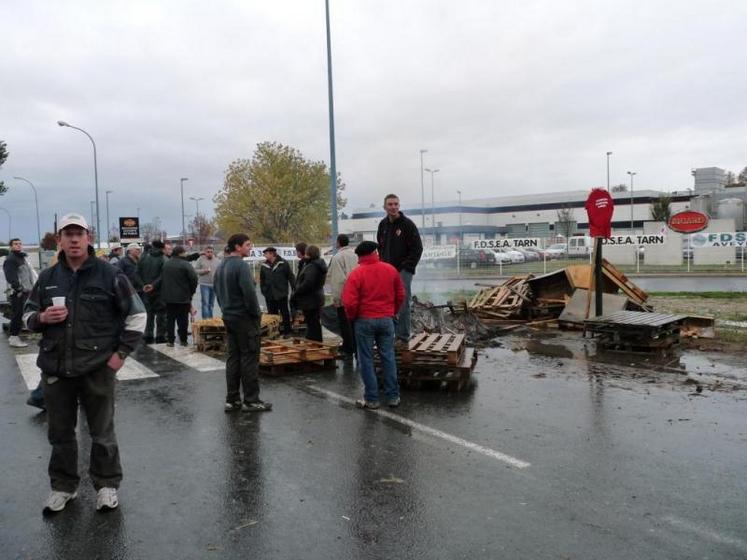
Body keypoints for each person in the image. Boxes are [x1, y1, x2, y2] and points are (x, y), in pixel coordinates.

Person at [23, 212, 146, 514]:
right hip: (56, 370)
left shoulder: (110, 274)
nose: (74, 239)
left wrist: (119, 358)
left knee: (102, 433)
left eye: (79, 233)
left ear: (88, 237)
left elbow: (138, 316)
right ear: (60, 240)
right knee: (60, 434)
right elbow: (25, 317)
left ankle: (106, 485)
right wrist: (41, 318)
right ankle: (63, 487)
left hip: (97, 369)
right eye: (68, 234)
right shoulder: (48, 278)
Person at [342, 241, 405, 409]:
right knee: (388, 357)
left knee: (366, 359)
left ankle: (372, 399)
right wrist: (392, 311)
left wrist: (353, 317)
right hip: (386, 319)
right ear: (375, 252)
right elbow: (400, 294)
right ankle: (393, 396)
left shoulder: (357, 274)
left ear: (360, 256)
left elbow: (349, 302)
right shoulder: (390, 270)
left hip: (364, 320)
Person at [213, 233, 272, 412]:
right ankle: (251, 400)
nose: (250, 247)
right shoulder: (241, 266)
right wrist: (256, 314)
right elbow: (249, 294)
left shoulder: (221, 266)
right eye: (247, 245)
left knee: (233, 358)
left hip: (229, 317)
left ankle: (232, 400)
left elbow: (217, 291)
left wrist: (226, 310)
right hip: (244, 319)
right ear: (237, 247)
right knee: (249, 358)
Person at [376, 193, 423, 345]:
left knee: (403, 302)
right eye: (390, 204)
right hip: (387, 270)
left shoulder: (407, 225)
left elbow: (417, 248)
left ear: (399, 206)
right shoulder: (383, 225)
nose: (393, 207)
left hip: (403, 271)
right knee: (389, 302)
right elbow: (381, 248)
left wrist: (407, 268)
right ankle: (391, 334)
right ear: (385, 207)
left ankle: (403, 336)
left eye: (396, 204)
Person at [326, 234, 358, 356]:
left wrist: (337, 299)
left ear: (338, 243)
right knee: (355, 323)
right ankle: (355, 346)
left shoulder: (337, 257)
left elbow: (338, 279)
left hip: (344, 296)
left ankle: (348, 348)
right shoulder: (355, 255)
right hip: (356, 295)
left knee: (345, 324)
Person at [161, 245, 198, 347]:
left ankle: (170, 340)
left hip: (169, 297)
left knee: (170, 319)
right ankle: (183, 339)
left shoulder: (166, 264)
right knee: (183, 319)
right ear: (181, 253)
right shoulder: (186, 264)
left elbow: (162, 279)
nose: (186, 253)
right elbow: (194, 278)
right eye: (184, 252)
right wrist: (191, 291)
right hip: (183, 297)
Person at [291, 245, 327, 342]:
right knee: (313, 321)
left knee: (312, 322)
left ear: (309, 253)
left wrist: (297, 291)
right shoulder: (317, 264)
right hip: (315, 298)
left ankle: (315, 342)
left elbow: (308, 283)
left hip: (310, 299)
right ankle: (314, 340)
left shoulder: (312, 266)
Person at [3, 238, 35, 349]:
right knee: (17, 314)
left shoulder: (21, 257)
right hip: (19, 293)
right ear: (11, 246)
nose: (18, 245)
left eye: (20, 244)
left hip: (27, 291)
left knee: (22, 313)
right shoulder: (11, 259)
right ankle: (14, 338)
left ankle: (17, 335)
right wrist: (19, 289)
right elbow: (10, 277)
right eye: (15, 244)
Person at [259, 247, 295, 336]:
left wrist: (294, 288)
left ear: (272, 254)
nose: (264, 255)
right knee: (272, 315)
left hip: (281, 294)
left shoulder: (283, 263)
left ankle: (287, 332)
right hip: (270, 295)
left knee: (285, 313)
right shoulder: (264, 266)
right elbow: (262, 280)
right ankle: (275, 333)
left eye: (266, 253)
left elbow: (291, 277)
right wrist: (264, 291)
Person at [137, 239, 168, 344]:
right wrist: (153, 285)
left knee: (149, 313)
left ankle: (148, 334)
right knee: (161, 314)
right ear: (161, 248)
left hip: (146, 290)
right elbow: (163, 275)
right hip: (159, 290)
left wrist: (143, 285)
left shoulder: (143, 257)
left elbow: (136, 273)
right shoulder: (163, 259)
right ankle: (160, 335)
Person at [193, 245, 218, 318]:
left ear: (213, 252)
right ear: (205, 252)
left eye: (211, 252)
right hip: (204, 284)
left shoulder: (217, 260)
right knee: (205, 303)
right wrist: (204, 271)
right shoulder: (201, 260)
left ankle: (210, 320)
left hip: (214, 284)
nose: (210, 253)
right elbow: (195, 270)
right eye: (208, 252)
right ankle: (205, 321)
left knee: (211, 304)